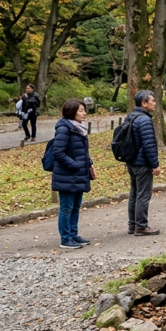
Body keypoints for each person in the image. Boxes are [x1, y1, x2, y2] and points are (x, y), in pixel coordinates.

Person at [51, 99, 95, 249]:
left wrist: (89, 164)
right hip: (67, 175)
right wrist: (75, 165)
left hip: (79, 174)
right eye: (81, 110)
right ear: (72, 111)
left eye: (84, 110)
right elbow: (58, 152)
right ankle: (65, 238)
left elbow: (81, 151)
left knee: (76, 207)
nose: (84, 113)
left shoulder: (79, 128)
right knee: (66, 207)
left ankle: (73, 235)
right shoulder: (64, 128)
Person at [126, 90, 161, 236]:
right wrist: (155, 164)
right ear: (144, 103)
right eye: (152, 101)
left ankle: (132, 224)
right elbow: (149, 145)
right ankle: (141, 226)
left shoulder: (131, 117)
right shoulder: (145, 120)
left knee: (134, 193)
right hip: (142, 163)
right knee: (143, 195)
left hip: (131, 161)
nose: (154, 103)